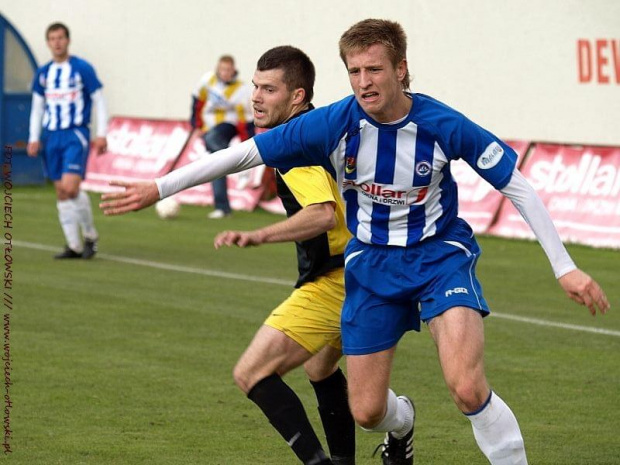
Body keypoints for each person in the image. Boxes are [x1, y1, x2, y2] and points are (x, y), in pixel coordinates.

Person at [100, 18, 610, 465]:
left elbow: (515, 182)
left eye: (375, 69)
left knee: (466, 386)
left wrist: (564, 266)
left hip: (439, 258)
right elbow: (243, 155)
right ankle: (403, 418)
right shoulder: (336, 122)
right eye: (355, 71)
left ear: (401, 69)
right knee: (367, 411)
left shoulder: (441, 123)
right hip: (370, 267)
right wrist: (159, 186)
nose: (364, 82)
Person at [213, 46, 355, 465]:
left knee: (251, 373)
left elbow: (321, 215)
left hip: (337, 280)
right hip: (368, 272)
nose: (255, 97)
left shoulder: (297, 146)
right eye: (255, 86)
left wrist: (258, 235)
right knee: (320, 370)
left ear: (297, 96)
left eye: (268, 89)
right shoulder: (321, 128)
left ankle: (391, 430)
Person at [28, 22, 108, 259]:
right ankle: (74, 245)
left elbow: (99, 100)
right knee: (62, 192)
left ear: (68, 40)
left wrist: (101, 133)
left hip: (75, 134)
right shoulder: (43, 74)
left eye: (61, 37)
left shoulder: (82, 68)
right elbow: (37, 107)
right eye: (52, 38)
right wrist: (33, 137)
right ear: (48, 43)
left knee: (72, 187)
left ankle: (90, 236)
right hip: (51, 136)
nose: (57, 42)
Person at [190, 55, 254, 219]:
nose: (225, 73)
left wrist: (247, 146)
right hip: (208, 128)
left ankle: (230, 161)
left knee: (212, 141)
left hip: (228, 127)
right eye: (222, 69)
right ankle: (222, 207)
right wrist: (195, 125)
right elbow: (197, 101)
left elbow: (246, 122)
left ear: (233, 70)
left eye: (228, 70)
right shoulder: (207, 80)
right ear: (217, 69)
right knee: (216, 164)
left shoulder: (242, 90)